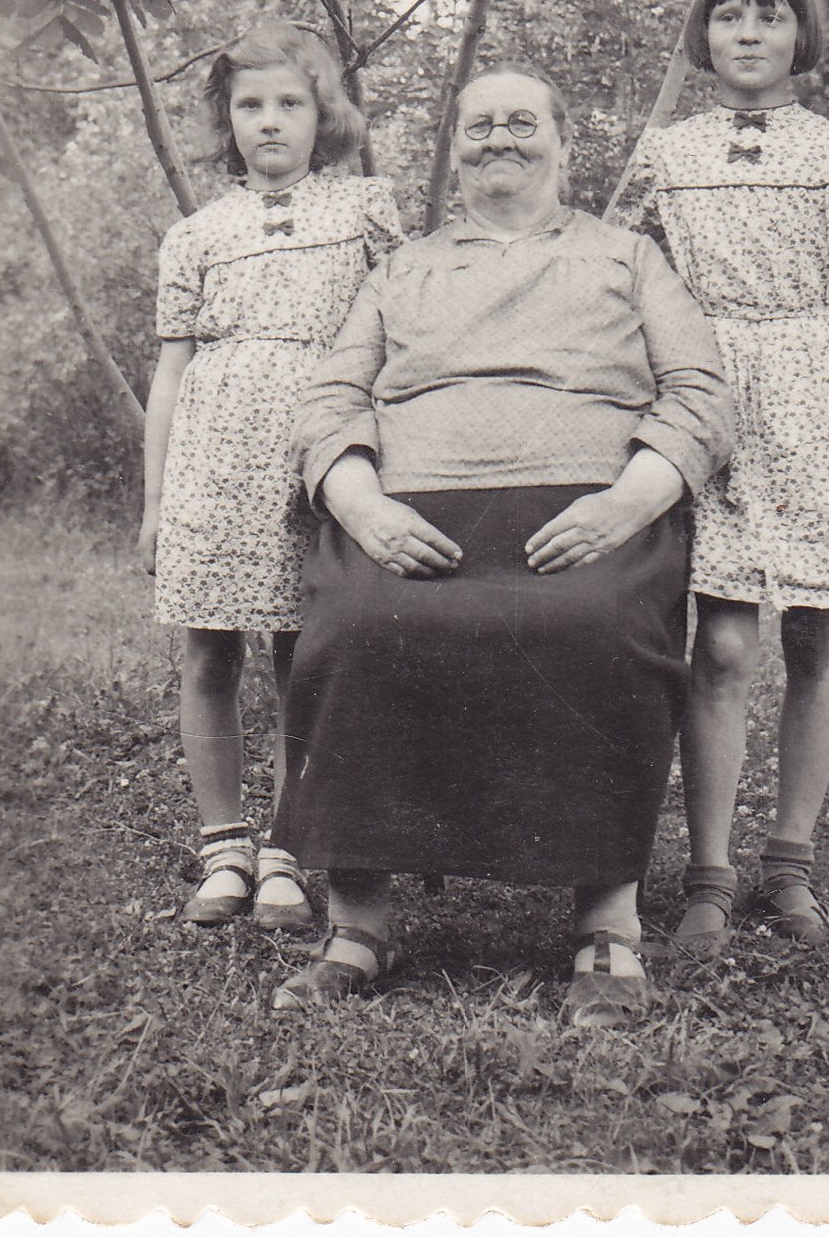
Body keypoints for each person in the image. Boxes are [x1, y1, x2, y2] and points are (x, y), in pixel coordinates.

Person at [270, 65, 735, 1026]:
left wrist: (628, 502)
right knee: (356, 623)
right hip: (413, 513)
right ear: (454, 151)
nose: (500, 140)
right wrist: (361, 507)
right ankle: (358, 921)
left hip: (587, 510)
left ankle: (607, 921)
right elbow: (329, 400)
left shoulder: (628, 257)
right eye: (478, 125)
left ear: (565, 143)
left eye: (523, 122)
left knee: (596, 624)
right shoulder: (403, 268)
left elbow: (700, 393)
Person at [612, 0, 829, 949]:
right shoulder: (665, 151)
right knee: (725, 643)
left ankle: (789, 865)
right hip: (708, 398)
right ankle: (707, 871)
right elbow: (610, 277)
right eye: (729, 16)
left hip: (820, 395)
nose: (748, 33)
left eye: (770, 16)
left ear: (801, 34)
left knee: (819, 636)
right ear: (702, 35)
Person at [138, 21, 404, 932]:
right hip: (213, 460)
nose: (270, 123)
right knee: (211, 647)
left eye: (289, 103)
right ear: (227, 120)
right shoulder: (196, 235)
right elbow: (171, 375)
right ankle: (224, 847)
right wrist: (156, 503)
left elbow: (397, 344)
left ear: (323, 112)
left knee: (308, 654)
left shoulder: (365, 212)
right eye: (249, 106)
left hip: (316, 457)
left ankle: (291, 853)